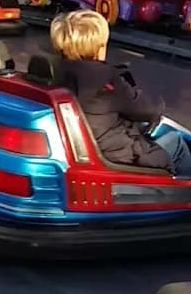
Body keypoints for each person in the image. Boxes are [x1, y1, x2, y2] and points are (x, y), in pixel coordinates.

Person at [50, 10, 191, 175]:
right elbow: (148, 109)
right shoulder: (105, 80)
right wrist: (155, 101)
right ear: (98, 48)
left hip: (91, 147)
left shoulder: (58, 73)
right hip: (118, 156)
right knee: (177, 142)